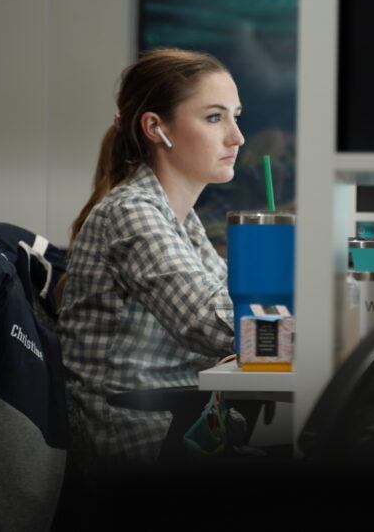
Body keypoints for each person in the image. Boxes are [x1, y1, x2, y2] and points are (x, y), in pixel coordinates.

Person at [56, 47, 246, 475]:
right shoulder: (132, 213)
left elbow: (233, 304)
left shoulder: (179, 217)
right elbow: (212, 323)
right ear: (157, 128)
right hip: (136, 443)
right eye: (215, 118)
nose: (237, 137)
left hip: (178, 433)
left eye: (236, 116)